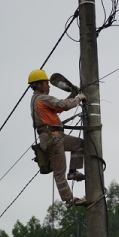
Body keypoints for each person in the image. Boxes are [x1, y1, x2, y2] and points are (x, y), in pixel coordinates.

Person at [28, 69, 86, 208]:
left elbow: (59, 108)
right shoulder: (42, 98)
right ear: (40, 85)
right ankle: (69, 200)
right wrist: (78, 98)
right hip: (51, 138)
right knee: (59, 171)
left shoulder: (38, 100)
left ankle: (73, 172)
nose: (48, 86)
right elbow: (63, 105)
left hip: (55, 136)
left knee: (80, 144)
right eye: (46, 83)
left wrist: (73, 94)